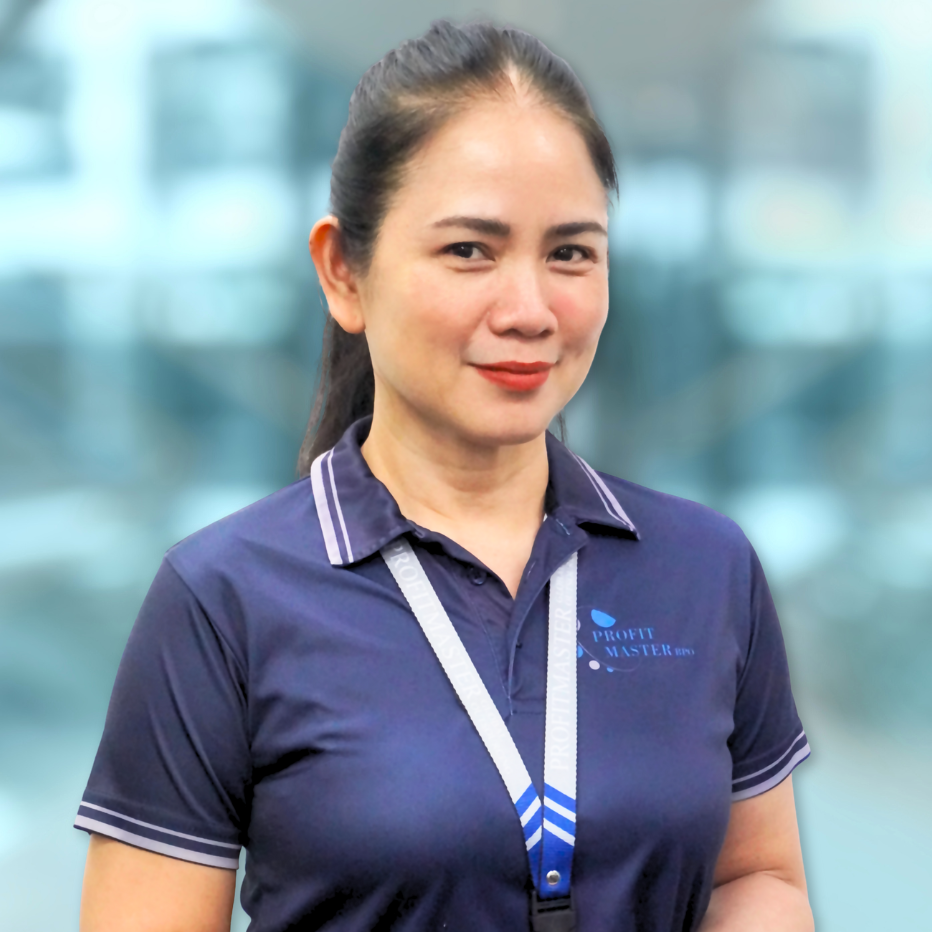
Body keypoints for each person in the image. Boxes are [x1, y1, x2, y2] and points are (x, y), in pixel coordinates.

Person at [76, 19, 813, 932]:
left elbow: (757, 878)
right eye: (470, 250)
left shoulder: (705, 568)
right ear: (344, 273)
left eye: (570, 252)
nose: (530, 309)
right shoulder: (224, 600)